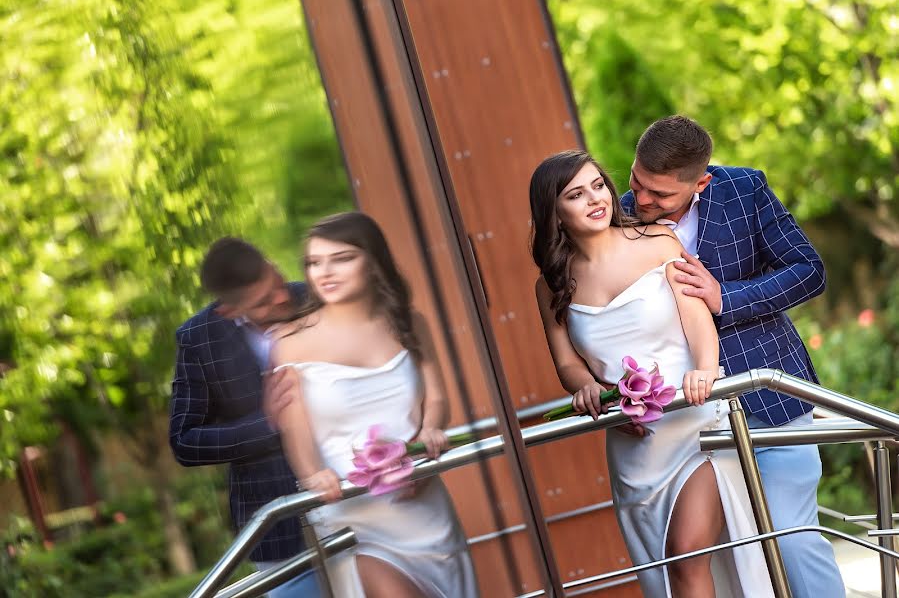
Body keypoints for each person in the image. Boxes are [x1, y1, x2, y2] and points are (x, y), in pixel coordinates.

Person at [530, 150, 773, 597]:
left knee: (687, 553)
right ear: (554, 213)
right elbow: (567, 362)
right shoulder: (551, 285)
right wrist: (587, 388)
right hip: (635, 443)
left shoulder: (659, 242)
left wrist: (705, 370)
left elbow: (697, 319)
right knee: (667, 568)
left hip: (697, 422)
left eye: (598, 186)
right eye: (576, 195)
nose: (595, 200)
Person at [621, 115, 844, 598]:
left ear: (701, 182)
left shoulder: (745, 190)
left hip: (768, 398)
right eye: (637, 181)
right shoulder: (616, 219)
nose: (641, 201)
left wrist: (727, 298)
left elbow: (809, 271)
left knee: (789, 540)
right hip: (682, 425)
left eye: (659, 196)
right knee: (707, 557)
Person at [267, 212, 479, 598]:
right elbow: (294, 428)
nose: (324, 272)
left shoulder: (408, 322)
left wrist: (429, 431)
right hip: (351, 514)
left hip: (420, 501)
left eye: (342, 258)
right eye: (314, 263)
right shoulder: (289, 340)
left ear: (373, 260)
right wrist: (312, 474)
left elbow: (436, 396)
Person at [169, 237, 319, 597]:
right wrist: (267, 422)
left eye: (278, 282)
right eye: (264, 301)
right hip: (279, 527)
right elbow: (184, 442)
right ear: (229, 311)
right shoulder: (198, 338)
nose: (282, 298)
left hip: (352, 493)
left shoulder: (318, 300)